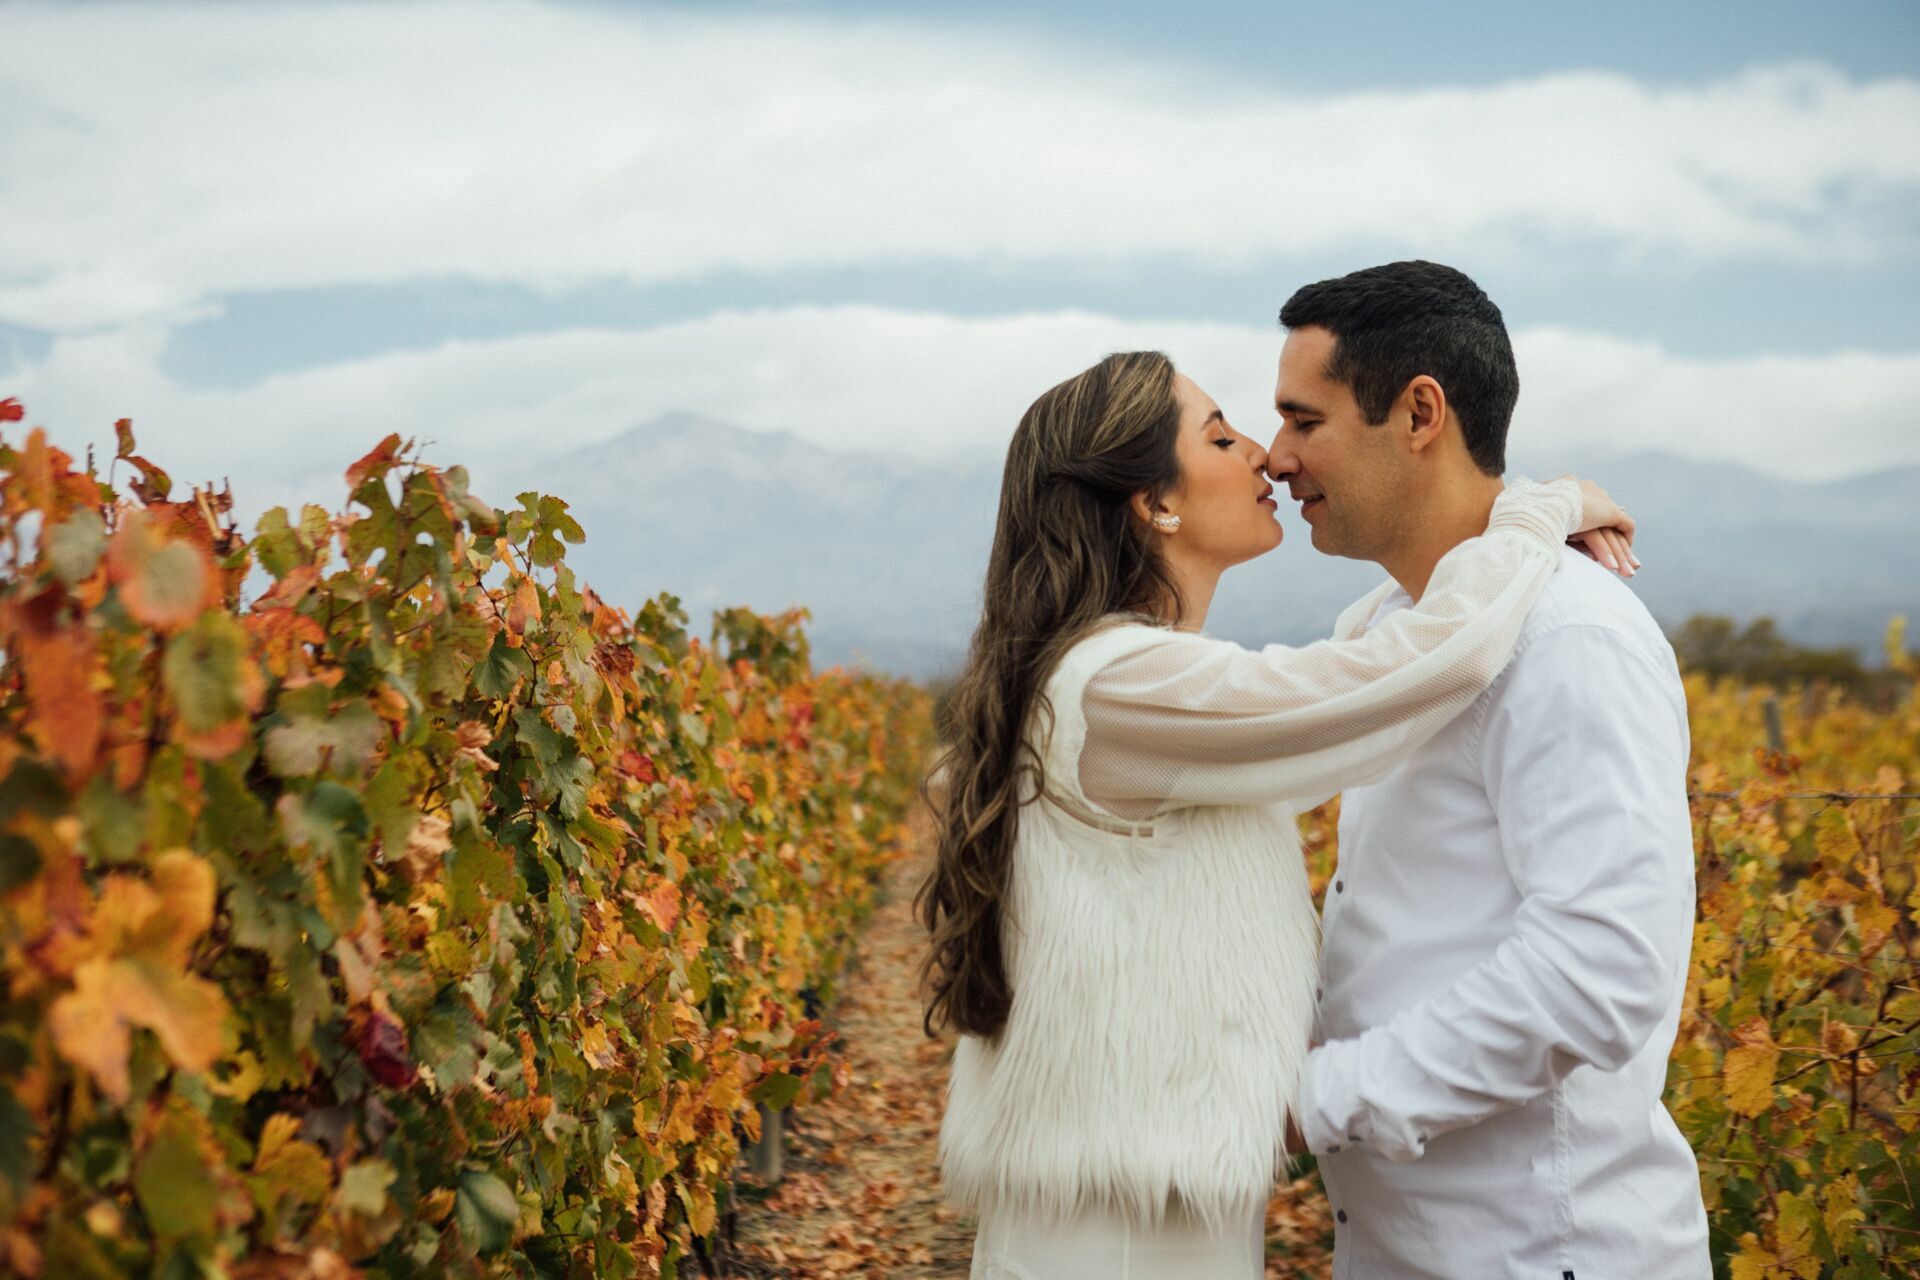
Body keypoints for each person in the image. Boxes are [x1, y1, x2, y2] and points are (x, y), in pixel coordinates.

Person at [918, 347, 1633, 1279]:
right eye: (1220, 435)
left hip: (1135, 1209)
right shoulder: (1121, 684)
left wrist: (1435, 561)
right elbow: (1403, 676)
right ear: (1154, 502)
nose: (1264, 455)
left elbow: (1333, 687)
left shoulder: (1123, 685)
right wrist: (1534, 515)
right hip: (1124, 1239)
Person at [1268, 260, 1710, 1279]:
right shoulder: (1393, 634)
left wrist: (1313, 1100)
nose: (1277, 458)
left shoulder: (1568, 634)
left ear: (1420, 412)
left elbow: (1598, 971)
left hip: (1539, 1250)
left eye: (1304, 419)